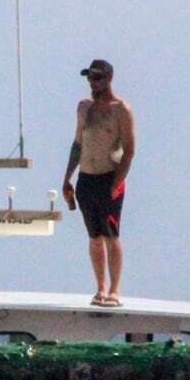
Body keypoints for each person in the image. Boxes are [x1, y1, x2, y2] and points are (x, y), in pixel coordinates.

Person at [59, 58, 135, 306]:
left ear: (109, 77)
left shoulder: (120, 109)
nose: (93, 82)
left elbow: (129, 151)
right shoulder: (84, 107)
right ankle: (100, 288)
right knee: (94, 236)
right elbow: (77, 143)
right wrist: (67, 177)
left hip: (109, 178)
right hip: (86, 178)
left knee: (111, 235)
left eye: (98, 77)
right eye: (90, 78)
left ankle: (114, 290)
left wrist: (117, 183)